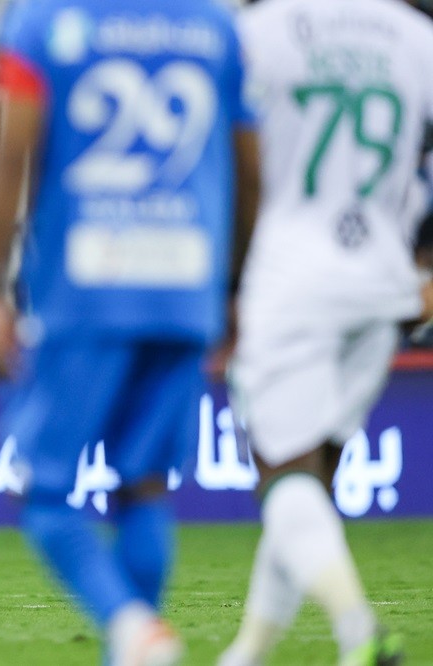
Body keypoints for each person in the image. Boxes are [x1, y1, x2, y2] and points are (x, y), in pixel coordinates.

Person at [0, 1, 260, 664]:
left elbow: (11, 156)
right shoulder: (215, 27)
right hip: (186, 283)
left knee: (43, 489)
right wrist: (239, 283)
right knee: (145, 486)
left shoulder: (39, 22)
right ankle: (134, 646)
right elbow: (249, 170)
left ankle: (130, 626)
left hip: (86, 284)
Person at [219, 1, 433, 664]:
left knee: (281, 473)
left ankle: (358, 633)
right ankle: (248, 653)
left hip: (291, 276)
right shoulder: (415, 35)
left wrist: (230, 282)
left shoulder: (257, 34)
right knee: (311, 478)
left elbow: (237, 166)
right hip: (383, 277)